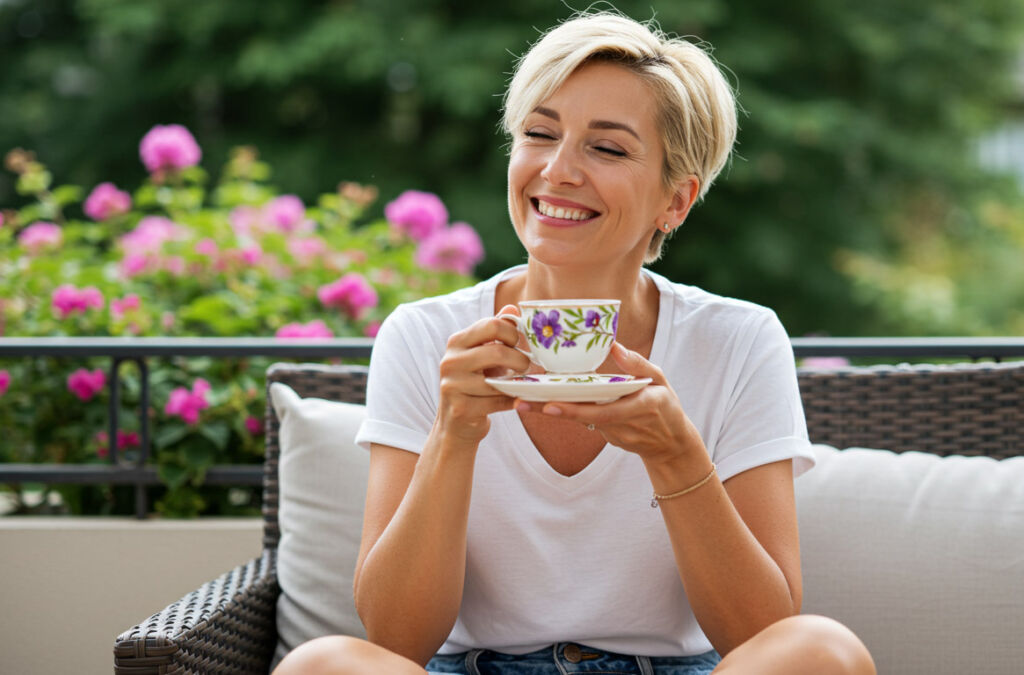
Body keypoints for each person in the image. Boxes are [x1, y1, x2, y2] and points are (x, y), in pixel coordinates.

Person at [274, 10, 875, 675]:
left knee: (823, 653)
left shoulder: (737, 339)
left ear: (674, 202)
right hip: (475, 666)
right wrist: (455, 432)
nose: (557, 170)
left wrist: (676, 455)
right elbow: (395, 639)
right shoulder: (425, 337)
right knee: (320, 664)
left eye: (607, 148)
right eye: (539, 134)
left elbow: (761, 633)